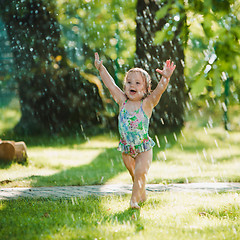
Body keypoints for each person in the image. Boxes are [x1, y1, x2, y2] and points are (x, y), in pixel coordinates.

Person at [94, 52, 176, 209]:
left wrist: (165, 78)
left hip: (143, 148)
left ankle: (133, 201)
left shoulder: (147, 104)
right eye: (129, 82)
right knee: (135, 176)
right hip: (126, 149)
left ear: (145, 89)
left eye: (138, 83)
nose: (132, 85)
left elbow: (159, 91)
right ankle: (142, 193)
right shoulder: (122, 101)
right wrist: (101, 68)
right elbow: (110, 84)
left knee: (140, 173)